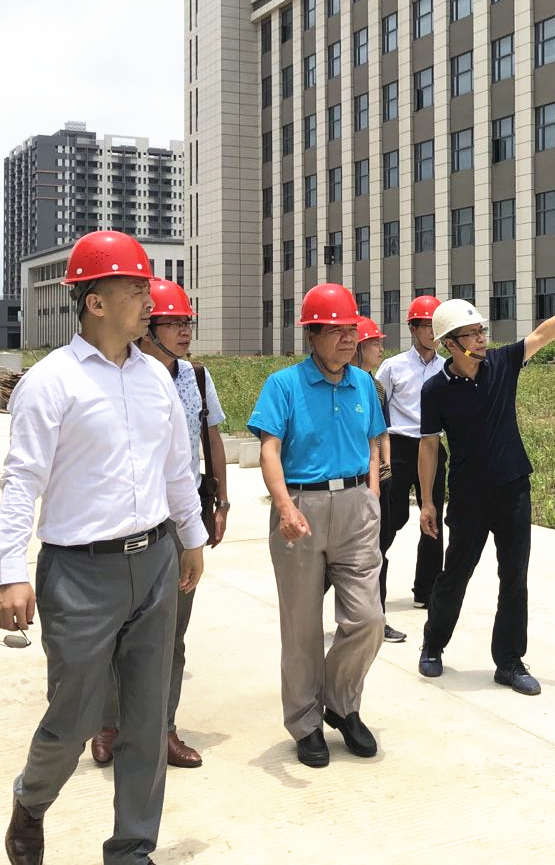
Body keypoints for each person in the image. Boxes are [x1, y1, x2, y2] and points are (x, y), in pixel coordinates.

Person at [0, 230, 207, 865]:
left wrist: (191, 537)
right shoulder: (50, 382)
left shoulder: (157, 379)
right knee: (75, 716)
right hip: (79, 573)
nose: (150, 300)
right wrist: (10, 571)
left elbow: (177, 467)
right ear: (95, 302)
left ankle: (132, 848)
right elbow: (21, 480)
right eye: (136, 289)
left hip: (156, 560)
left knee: (147, 718)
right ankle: (31, 802)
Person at [416, 286, 555, 696]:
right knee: (456, 573)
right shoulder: (435, 389)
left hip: (512, 489)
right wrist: (428, 502)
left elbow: (542, 334)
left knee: (514, 576)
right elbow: (429, 446)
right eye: (472, 334)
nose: (481, 339)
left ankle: (508, 662)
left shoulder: (503, 363)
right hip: (468, 496)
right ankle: (433, 644)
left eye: (481, 331)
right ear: (450, 344)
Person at [246, 284, 388, 768]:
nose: (348, 339)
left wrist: (372, 494)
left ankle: (341, 704)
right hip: (301, 507)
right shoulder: (283, 385)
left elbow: (373, 443)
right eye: (336, 330)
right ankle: (305, 722)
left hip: (356, 508)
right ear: (311, 334)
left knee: (368, 618)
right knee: (302, 627)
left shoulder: (363, 384)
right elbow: (269, 450)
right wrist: (285, 507)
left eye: (351, 330)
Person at [91, 278, 229, 770]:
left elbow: (212, 439)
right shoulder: (118, 376)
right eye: (174, 323)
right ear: (148, 328)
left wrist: (220, 502)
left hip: (179, 518)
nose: (185, 331)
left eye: (188, 322)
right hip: (125, 521)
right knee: (115, 631)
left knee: (171, 633)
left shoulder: (196, 377)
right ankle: (109, 726)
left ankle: (163, 728)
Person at [375, 296, 447, 614]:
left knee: (433, 520)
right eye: (426, 325)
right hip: (399, 448)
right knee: (392, 517)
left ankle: (427, 591)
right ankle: (371, 579)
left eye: (436, 326)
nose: (432, 332)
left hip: (433, 447)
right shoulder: (393, 367)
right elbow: (377, 408)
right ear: (413, 329)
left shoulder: (447, 367)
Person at [345, 315, 403, 642]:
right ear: (359, 347)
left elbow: (382, 432)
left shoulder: (377, 387)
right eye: (375, 344)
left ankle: (377, 619)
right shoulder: (344, 385)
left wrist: (386, 469)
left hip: (380, 480)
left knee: (379, 550)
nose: (381, 349)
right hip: (353, 483)